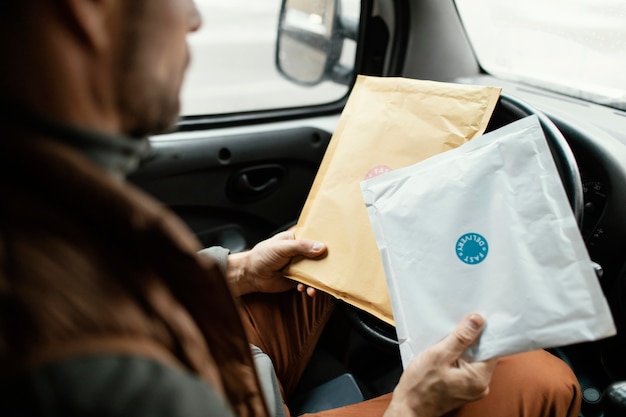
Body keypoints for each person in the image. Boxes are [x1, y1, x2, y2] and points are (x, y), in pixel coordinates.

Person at [0, 0, 581, 416]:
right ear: (90, 11)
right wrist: (412, 407)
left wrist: (238, 269)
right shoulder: (94, 367)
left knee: (320, 250)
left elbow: (115, 281)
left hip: (208, 344)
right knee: (542, 378)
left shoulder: (48, 198)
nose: (195, 19)